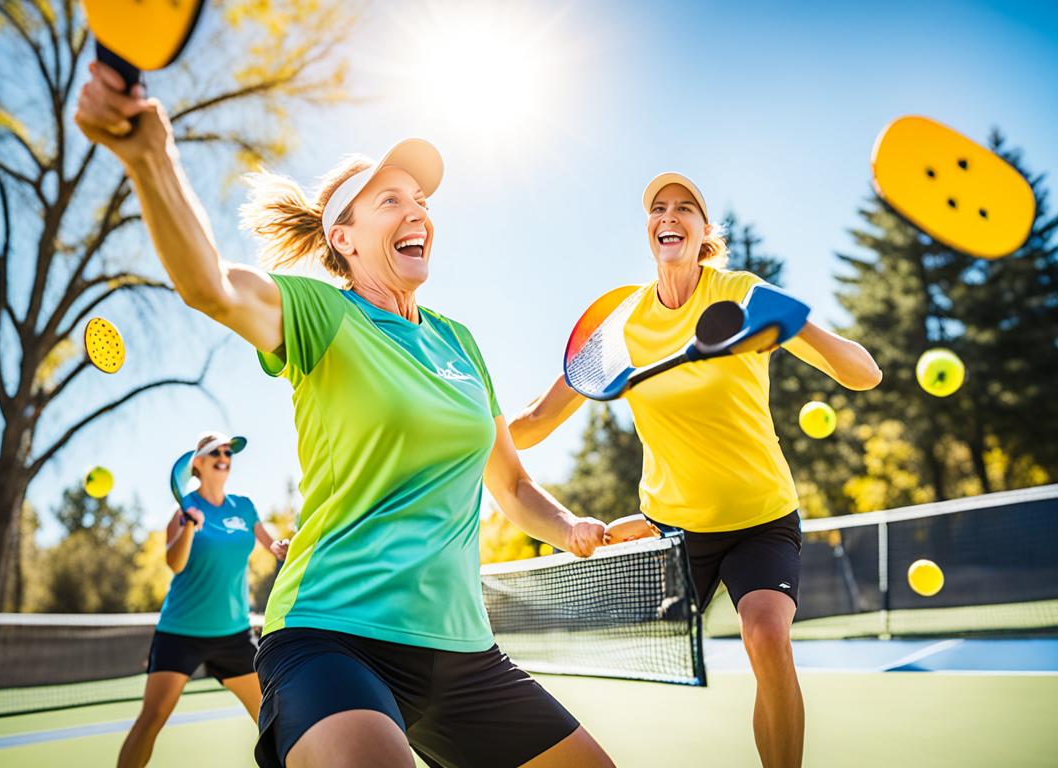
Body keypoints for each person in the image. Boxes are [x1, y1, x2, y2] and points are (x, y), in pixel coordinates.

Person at [75, 62, 613, 768]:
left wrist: (569, 526)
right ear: (346, 240)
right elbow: (207, 284)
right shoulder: (320, 313)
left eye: (420, 198)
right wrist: (151, 158)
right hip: (333, 636)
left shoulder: (459, 342)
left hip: (462, 652)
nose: (417, 209)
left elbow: (509, 486)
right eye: (390, 200)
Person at [509, 172, 882, 768]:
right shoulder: (623, 325)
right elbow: (533, 422)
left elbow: (865, 375)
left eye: (686, 208)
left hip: (761, 516)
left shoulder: (739, 292)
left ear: (704, 232)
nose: (670, 215)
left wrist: (794, 321)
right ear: (649, 230)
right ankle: (640, 523)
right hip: (676, 531)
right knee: (645, 657)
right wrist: (453, 430)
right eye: (659, 208)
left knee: (766, 634)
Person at [118, 431, 290, 768]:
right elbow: (175, 563)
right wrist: (188, 528)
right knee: (151, 719)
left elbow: (272, 546)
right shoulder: (183, 511)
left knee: (273, 719)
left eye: (228, 451)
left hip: (234, 635)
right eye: (216, 452)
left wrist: (283, 549)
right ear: (197, 463)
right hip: (181, 633)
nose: (224, 456)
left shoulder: (244, 506)